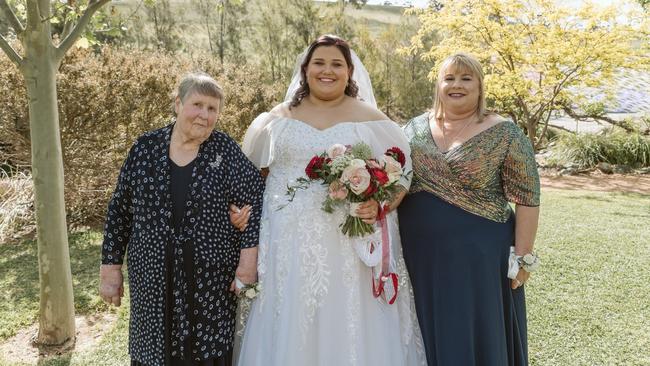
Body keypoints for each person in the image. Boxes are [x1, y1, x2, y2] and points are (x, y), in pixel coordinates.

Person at [232, 35, 426, 366]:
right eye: (319, 63)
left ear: (350, 72)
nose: (327, 71)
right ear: (305, 69)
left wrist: (381, 205)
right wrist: (241, 213)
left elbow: (402, 174)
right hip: (286, 243)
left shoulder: (372, 119)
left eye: (337, 64)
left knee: (348, 316)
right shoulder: (275, 120)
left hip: (349, 246)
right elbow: (250, 176)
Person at [99, 72, 265, 366]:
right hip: (152, 277)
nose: (204, 115)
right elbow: (119, 211)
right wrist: (110, 269)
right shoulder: (145, 148)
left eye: (212, 108)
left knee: (207, 355)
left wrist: (247, 263)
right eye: (197, 104)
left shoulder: (225, 151)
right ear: (178, 103)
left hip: (210, 283)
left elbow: (257, 198)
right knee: (152, 352)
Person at [397, 53, 541, 365]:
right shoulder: (412, 129)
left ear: (479, 87)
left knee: (471, 332)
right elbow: (395, 180)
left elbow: (528, 196)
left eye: (466, 78)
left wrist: (524, 256)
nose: (456, 85)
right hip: (418, 256)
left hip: (479, 260)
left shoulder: (505, 133)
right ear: (438, 85)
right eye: (449, 78)